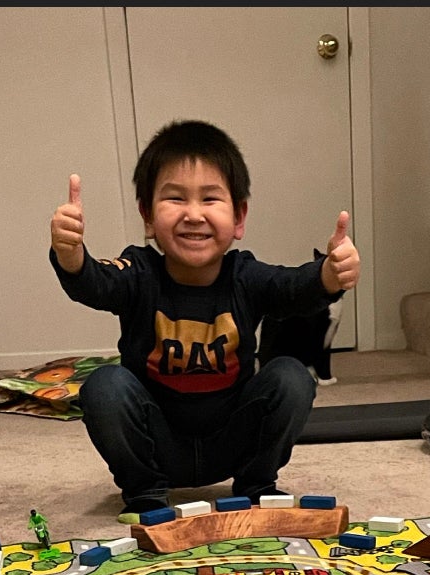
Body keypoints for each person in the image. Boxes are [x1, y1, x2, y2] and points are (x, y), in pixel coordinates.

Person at [50, 120, 360, 513]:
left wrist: (330, 274)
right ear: (147, 217)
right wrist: (70, 255)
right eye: (175, 199)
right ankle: (145, 493)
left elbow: (293, 288)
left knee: (291, 376)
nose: (193, 214)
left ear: (239, 218)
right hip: (156, 445)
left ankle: (256, 485)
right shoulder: (140, 273)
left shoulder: (245, 276)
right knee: (104, 384)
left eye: (210, 199)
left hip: (231, 441)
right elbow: (95, 282)